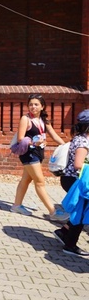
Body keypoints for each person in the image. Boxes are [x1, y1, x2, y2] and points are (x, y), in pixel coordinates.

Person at [11, 94, 68, 222]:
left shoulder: (44, 120)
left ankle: (16, 206)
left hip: (38, 153)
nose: (33, 107)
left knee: (25, 179)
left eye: (36, 104)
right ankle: (53, 212)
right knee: (40, 182)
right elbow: (20, 138)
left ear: (42, 106)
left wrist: (68, 146)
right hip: (28, 154)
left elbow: (54, 136)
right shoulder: (25, 119)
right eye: (31, 104)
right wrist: (33, 142)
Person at [53, 110, 89, 256]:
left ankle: (63, 232)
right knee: (80, 213)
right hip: (77, 181)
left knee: (80, 211)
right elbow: (78, 164)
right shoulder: (82, 142)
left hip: (75, 180)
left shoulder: (81, 138)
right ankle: (70, 245)